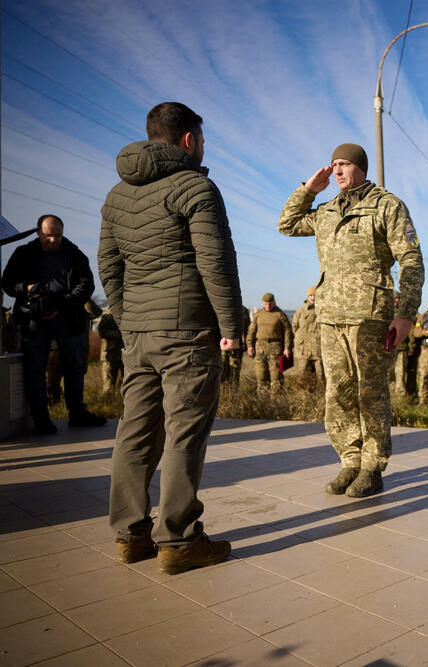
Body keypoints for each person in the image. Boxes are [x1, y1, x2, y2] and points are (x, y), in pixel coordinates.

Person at [99, 101, 242, 573]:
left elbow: (109, 267)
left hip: (138, 333)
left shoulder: (117, 194)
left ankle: (130, 536)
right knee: (185, 433)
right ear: (188, 140)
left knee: (134, 432)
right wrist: (231, 327)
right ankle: (178, 541)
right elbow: (215, 262)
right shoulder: (195, 186)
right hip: (187, 334)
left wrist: (128, 321)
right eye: (202, 140)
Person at [278, 142, 424, 497]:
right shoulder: (326, 211)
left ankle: (372, 467)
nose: (338, 170)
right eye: (334, 165)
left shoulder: (386, 205)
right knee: (338, 392)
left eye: (344, 164)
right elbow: (287, 224)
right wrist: (308, 190)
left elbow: (411, 259)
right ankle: (350, 461)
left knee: (370, 392)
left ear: (361, 167)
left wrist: (406, 315)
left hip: (370, 314)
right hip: (330, 314)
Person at [2, 214, 106, 434]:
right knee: (35, 369)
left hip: (68, 317)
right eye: (48, 235)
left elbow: (86, 285)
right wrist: (27, 289)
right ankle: (41, 418)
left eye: (57, 236)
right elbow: (8, 284)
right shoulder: (23, 253)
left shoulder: (74, 254)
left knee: (75, 366)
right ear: (38, 232)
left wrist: (63, 302)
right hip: (33, 320)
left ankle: (77, 413)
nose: (53, 240)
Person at [247, 293, 293, 391]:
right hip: (260, 349)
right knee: (261, 376)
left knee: (276, 377)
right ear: (262, 303)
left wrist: (287, 348)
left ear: (274, 302)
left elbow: (288, 332)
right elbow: (251, 332)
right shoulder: (258, 315)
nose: (268, 306)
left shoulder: (280, 315)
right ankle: (263, 398)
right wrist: (250, 346)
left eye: (270, 304)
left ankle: (276, 399)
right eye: (265, 304)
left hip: (275, 348)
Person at [293, 286, 324, 386]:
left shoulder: (322, 311)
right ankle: (303, 395)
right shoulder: (300, 311)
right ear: (307, 297)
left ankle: (320, 395)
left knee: (321, 377)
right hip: (303, 351)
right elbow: (294, 327)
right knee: (302, 377)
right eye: (311, 295)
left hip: (318, 351)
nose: (313, 298)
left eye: (315, 295)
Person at [221, 306, 250, 388]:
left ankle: (233, 392)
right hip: (222, 345)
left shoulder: (243, 310)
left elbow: (247, 329)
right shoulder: (220, 306)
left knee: (234, 372)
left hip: (236, 345)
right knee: (222, 370)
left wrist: (246, 344)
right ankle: (223, 391)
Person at [97, 310, 124, 395]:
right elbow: (102, 332)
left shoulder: (127, 313)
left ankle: (121, 401)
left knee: (128, 384)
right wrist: (120, 334)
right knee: (108, 386)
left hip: (126, 354)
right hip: (110, 355)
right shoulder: (105, 315)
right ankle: (107, 402)